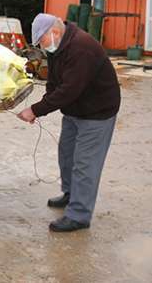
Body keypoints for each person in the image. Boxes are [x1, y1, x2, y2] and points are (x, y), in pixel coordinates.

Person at [17, 13, 121, 232]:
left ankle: (79, 215)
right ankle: (70, 194)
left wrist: (35, 110)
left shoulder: (81, 48)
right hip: (76, 110)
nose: (42, 47)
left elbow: (70, 90)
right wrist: (42, 103)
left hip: (97, 112)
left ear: (54, 32)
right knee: (67, 154)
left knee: (85, 164)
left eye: (42, 42)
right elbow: (55, 82)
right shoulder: (58, 46)